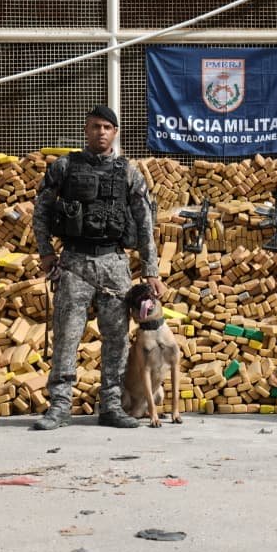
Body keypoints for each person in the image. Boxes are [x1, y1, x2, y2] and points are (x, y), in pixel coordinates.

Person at [31, 105, 166, 430]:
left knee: (117, 339)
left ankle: (111, 406)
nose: (101, 132)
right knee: (67, 335)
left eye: (107, 127)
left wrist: (151, 270)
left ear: (115, 132)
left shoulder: (129, 172)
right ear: (85, 130)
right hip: (75, 261)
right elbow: (42, 210)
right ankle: (60, 406)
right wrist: (46, 252)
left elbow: (145, 221)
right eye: (95, 126)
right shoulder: (64, 167)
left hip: (114, 263)